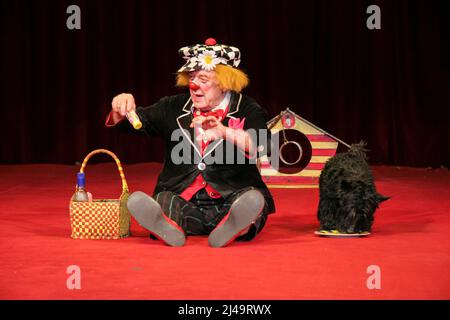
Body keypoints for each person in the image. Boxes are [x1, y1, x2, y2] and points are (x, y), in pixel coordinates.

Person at [106, 38, 275, 247]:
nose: (194, 86)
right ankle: (168, 225)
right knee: (165, 200)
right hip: (184, 202)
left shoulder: (247, 108)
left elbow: (262, 146)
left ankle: (233, 224)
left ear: (224, 83)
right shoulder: (172, 106)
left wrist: (224, 132)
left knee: (251, 200)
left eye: (203, 79)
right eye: (192, 77)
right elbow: (134, 123)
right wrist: (120, 109)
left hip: (230, 196)